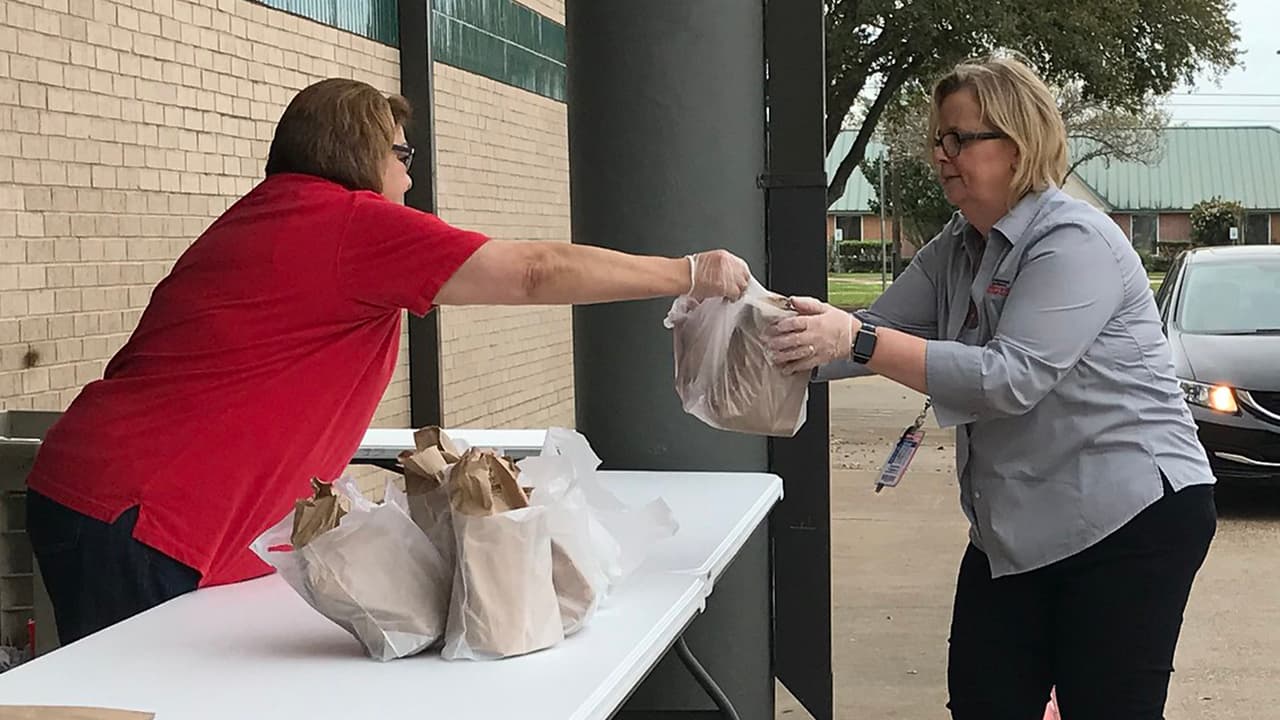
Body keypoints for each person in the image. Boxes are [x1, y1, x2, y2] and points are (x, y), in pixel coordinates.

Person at [25, 77, 750, 645]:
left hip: (103, 489)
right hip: (144, 512)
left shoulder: (269, 216)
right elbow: (534, 271)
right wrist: (689, 272)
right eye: (403, 157)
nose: (409, 181)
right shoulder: (347, 224)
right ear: (361, 152)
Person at [767, 55, 1216, 719]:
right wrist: (752, 332)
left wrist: (855, 341)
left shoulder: (1073, 239)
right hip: (1018, 530)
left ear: (1019, 143)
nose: (941, 156)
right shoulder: (958, 245)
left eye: (960, 138)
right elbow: (869, 330)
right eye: (938, 140)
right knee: (984, 701)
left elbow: (1012, 377)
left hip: (1131, 519)